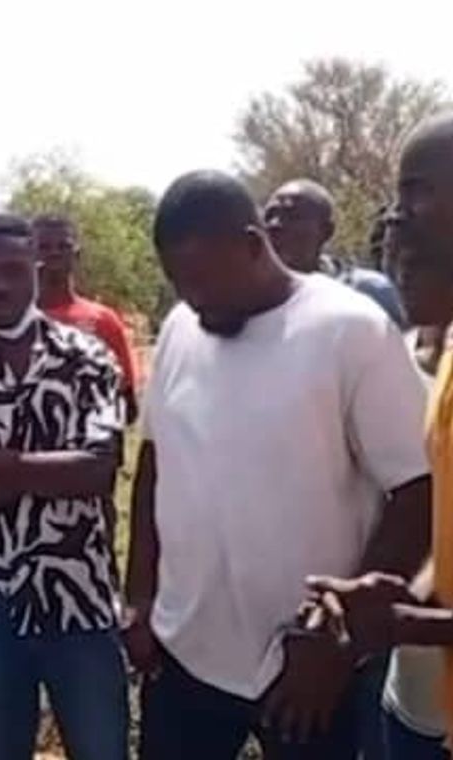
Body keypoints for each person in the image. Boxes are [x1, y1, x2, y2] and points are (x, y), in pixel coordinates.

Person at [126, 170, 431, 759]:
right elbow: (154, 461)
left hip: (307, 669)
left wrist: (342, 640)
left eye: (204, 280)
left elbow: (418, 489)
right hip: (184, 651)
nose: (194, 299)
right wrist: (139, 598)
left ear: (252, 244)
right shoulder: (180, 330)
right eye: (179, 282)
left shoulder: (350, 328)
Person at [0, 213, 128, 760]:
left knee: (102, 749)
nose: (0, 286)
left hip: (80, 592)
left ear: (36, 266)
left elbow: (98, 471)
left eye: (13, 269)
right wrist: (50, 471)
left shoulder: (87, 358)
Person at [305, 113, 453, 759]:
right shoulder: (445, 362)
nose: (396, 222)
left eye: (414, 194)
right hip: (423, 706)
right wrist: (390, 601)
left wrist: (409, 623)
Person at [34, 213, 139, 423]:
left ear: (77, 254)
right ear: (28, 254)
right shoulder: (14, 323)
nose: (54, 253)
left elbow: (127, 404)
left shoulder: (103, 320)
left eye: (63, 246)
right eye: (44, 247)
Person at [264, 178, 407, 328]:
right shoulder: (254, 302)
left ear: (326, 231)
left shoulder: (372, 292)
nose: (274, 225)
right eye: (269, 216)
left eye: (292, 216)